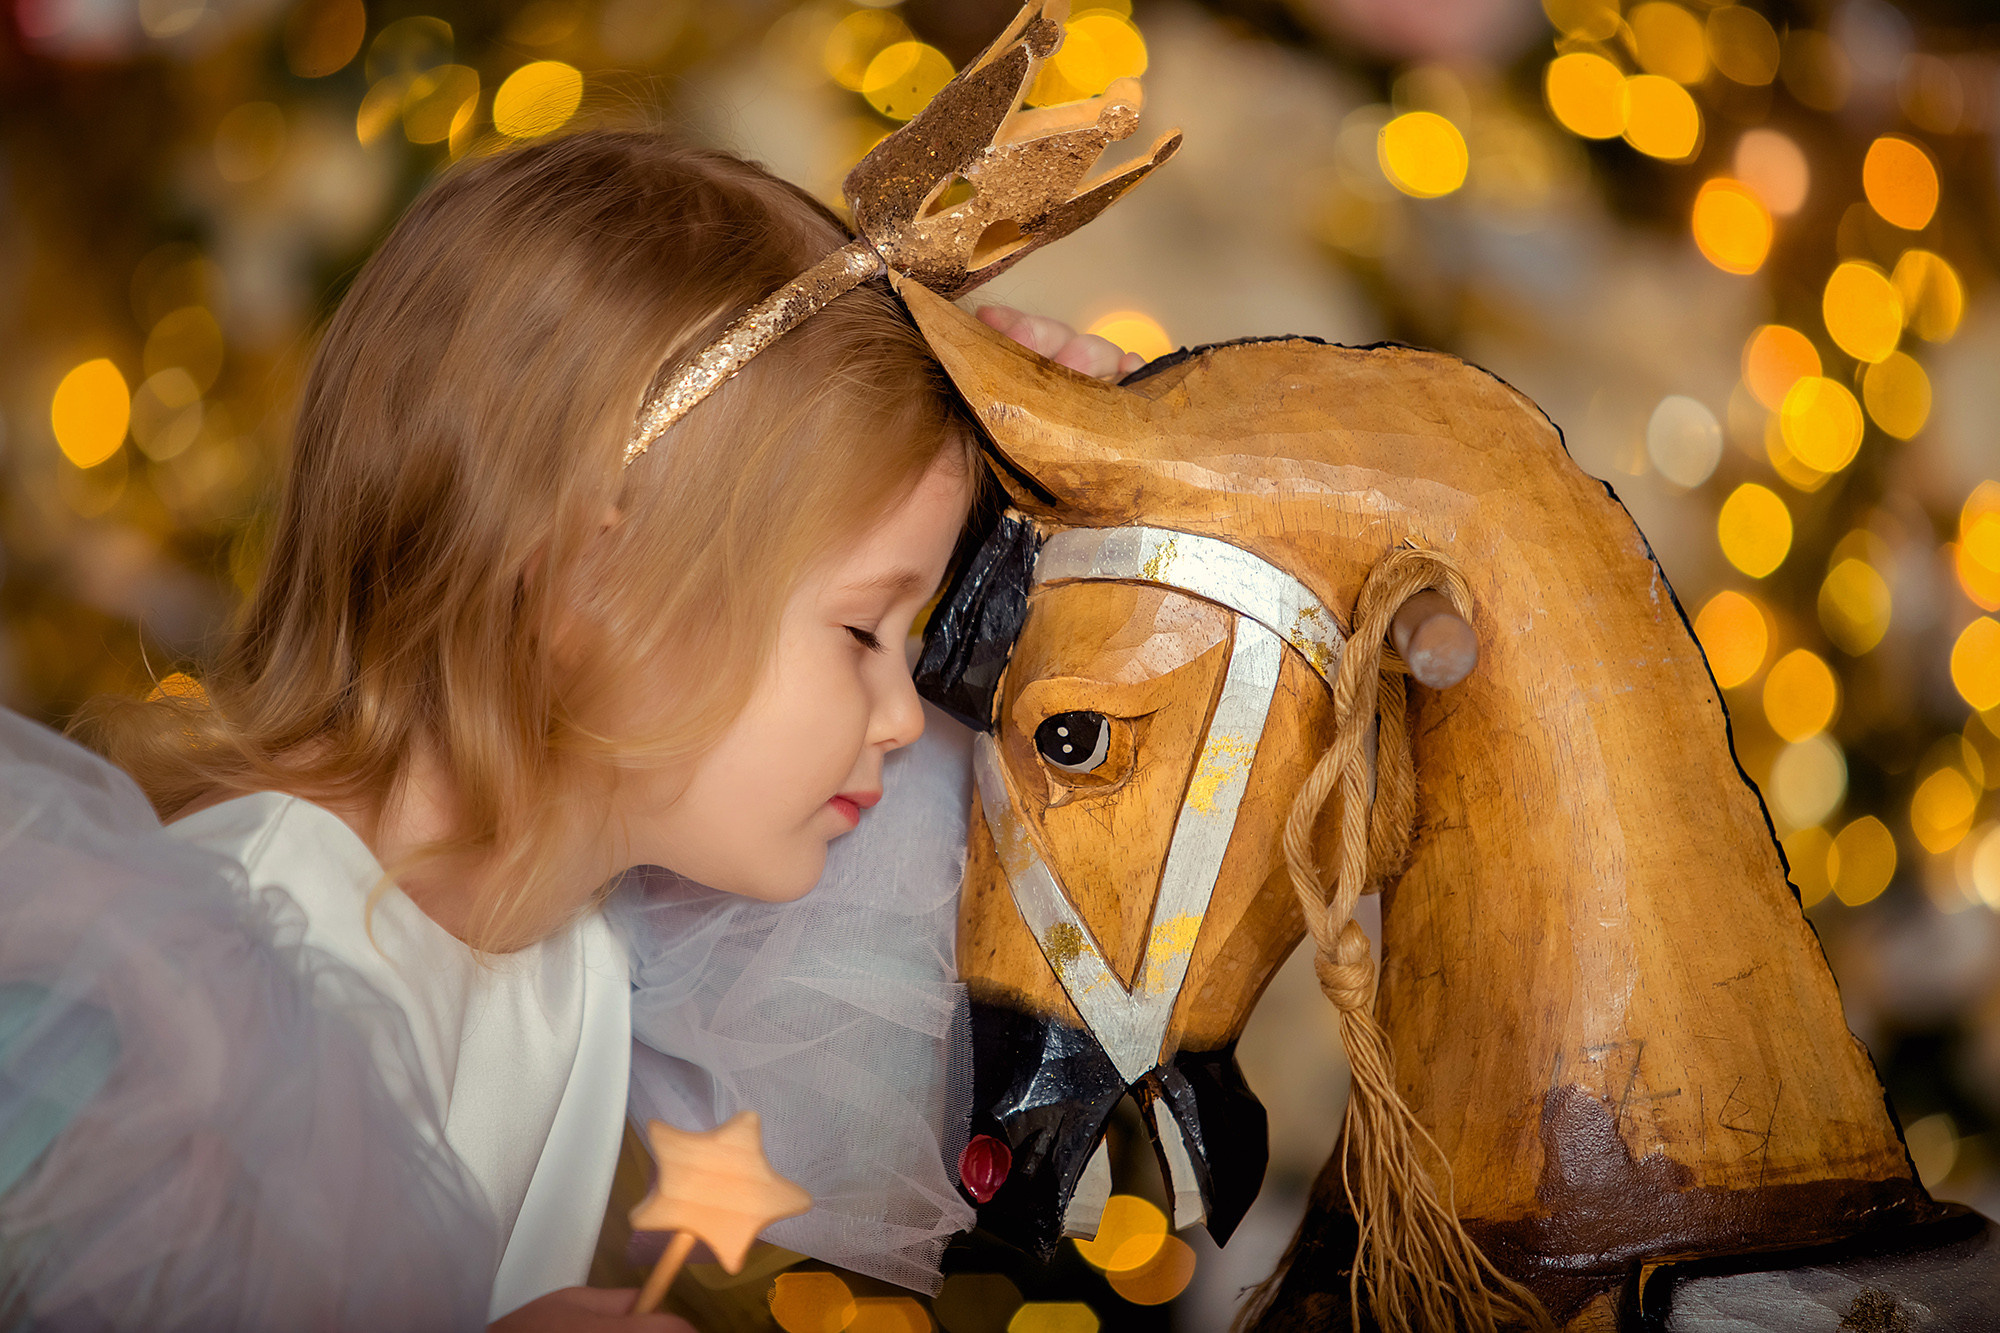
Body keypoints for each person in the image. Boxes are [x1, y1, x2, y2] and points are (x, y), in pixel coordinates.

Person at [0, 127, 1141, 1333]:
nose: (905, 717)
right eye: (861, 631)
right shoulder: (197, 1000)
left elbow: (972, 883)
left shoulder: (600, 922)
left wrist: (1085, 528)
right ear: (592, 589)